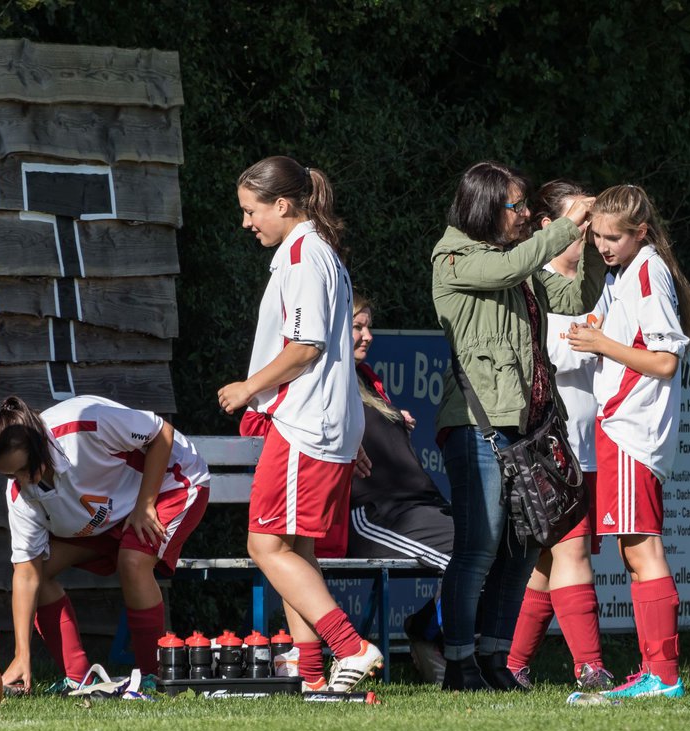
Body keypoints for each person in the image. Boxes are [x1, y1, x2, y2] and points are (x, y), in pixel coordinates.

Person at [431, 161, 606, 690]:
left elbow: (574, 298)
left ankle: (493, 658)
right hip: (477, 424)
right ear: (486, 206)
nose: (527, 214)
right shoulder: (454, 255)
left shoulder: (518, 261)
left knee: (523, 546)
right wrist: (566, 225)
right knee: (480, 546)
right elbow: (507, 270)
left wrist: (593, 243)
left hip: (528, 426)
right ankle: (458, 663)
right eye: (517, 206)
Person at [218, 155, 380, 693]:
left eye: (251, 210)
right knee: (296, 552)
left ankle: (350, 648)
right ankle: (312, 678)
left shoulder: (306, 256)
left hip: (305, 423)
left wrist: (249, 388)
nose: (247, 222)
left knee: (265, 547)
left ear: (282, 204)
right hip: (320, 422)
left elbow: (307, 347)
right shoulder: (308, 253)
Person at [566, 184, 690, 700]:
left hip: (631, 428)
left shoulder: (646, 271)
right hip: (624, 428)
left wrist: (601, 343)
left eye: (613, 237)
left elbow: (666, 360)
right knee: (635, 550)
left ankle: (661, 675)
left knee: (642, 550)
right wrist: (599, 323)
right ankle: (655, 672)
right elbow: (628, 331)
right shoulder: (626, 272)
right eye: (596, 235)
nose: (602, 245)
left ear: (640, 233)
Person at [0, 395, 209, 693]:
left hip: (170, 484)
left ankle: (153, 679)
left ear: (40, 446)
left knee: (133, 560)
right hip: (109, 517)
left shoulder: (84, 423)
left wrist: (145, 504)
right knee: (41, 572)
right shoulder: (20, 494)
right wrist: (21, 655)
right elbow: (26, 574)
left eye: (23, 470)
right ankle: (78, 679)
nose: (19, 481)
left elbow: (161, 432)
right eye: (9, 475)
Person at [505, 180, 615, 691]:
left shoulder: (600, 281)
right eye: (580, 222)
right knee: (569, 552)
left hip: (595, 440)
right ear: (548, 228)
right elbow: (546, 359)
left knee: (552, 561)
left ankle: (513, 664)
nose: (589, 234)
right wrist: (604, 346)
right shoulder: (533, 284)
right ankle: (589, 665)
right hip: (554, 444)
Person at [316, 292, 453, 683]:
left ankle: (428, 632)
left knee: (490, 547)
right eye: (357, 327)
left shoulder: (366, 379)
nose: (368, 335)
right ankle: (445, 648)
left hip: (419, 505)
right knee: (468, 557)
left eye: (368, 326)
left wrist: (393, 419)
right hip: (374, 515)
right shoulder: (321, 381)